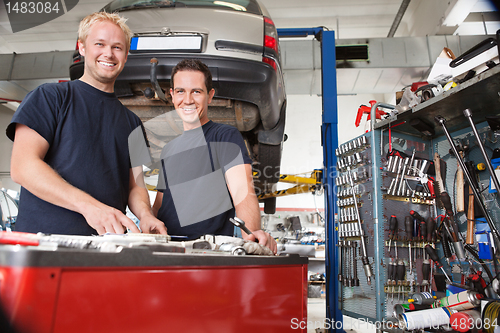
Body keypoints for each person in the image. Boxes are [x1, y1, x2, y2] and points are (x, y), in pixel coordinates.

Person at [6, 12, 167, 236]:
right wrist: (90, 207)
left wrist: (146, 215)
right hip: (45, 248)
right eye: (99, 44)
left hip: (107, 251)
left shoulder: (133, 123)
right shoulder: (49, 98)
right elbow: (22, 167)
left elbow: (136, 186)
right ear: (82, 48)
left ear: (126, 55)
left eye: (117, 47)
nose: (108, 54)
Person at [151, 59, 277, 254]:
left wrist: (251, 235)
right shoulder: (169, 149)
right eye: (181, 91)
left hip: (206, 253)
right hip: (167, 250)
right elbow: (160, 204)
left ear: (210, 96)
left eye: (196, 91)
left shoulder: (225, 137)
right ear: (172, 95)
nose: (188, 99)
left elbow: (242, 191)